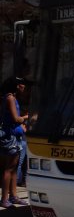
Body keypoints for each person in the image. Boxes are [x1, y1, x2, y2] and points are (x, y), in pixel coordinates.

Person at [0, 77, 29, 208]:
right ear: (17, 86)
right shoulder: (10, 98)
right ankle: (5, 198)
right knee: (9, 168)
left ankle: (14, 196)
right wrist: (26, 118)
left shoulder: (11, 98)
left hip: (13, 137)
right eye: (22, 84)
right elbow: (15, 118)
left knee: (14, 168)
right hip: (9, 137)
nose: (24, 87)